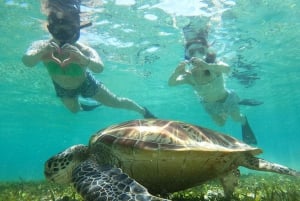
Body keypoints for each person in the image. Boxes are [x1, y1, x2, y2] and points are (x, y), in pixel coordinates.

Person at [22, 0, 155, 118]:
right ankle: (86, 104)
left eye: (68, 31)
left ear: (75, 30)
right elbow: (27, 61)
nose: (63, 37)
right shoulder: (41, 46)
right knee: (74, 111)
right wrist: (42, 52)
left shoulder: (83, 49)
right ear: (51, 29)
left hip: (86, 83)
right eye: (58, 30)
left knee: (115, 102)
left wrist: (84, 59)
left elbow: (99, 68)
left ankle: (143, 111)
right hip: (63, 88)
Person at [168, 18, 257, 144]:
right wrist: (176, 73)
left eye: (200, 50)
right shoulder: (189, 76)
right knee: (220, 123)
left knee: (236, 118)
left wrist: (208, 66)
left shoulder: (214, 67)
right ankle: (230, 111)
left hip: (227, 99)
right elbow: (171, 83)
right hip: (209, 104)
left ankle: (244, 120)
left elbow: (228, 68)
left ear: (206, 52)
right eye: (192, 52)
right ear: (187, 56)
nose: (196, 54)